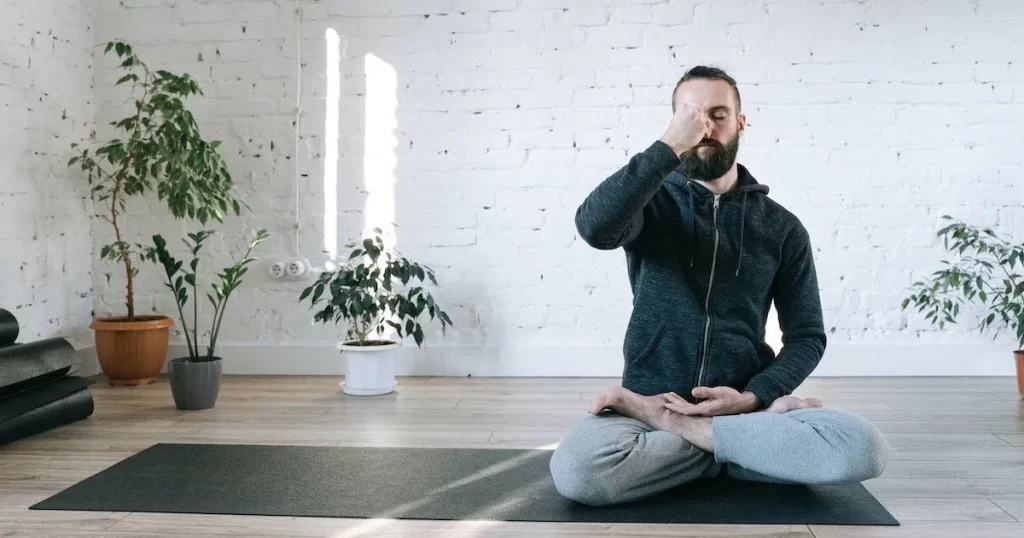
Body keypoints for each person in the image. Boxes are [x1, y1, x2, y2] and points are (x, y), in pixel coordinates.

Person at [550, 66, 890, 507]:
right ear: (674, 123)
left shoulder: (782, 229)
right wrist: (670, 145)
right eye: (691, 116)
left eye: (718, 115)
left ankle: (699, 441)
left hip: (745, 414)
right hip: (648, 407)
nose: (705, 128)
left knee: (864, 448)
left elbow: (807, 337)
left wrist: (755, 397)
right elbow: (594, 228)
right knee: (579, 473)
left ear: (741, 123)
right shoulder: (648, 206)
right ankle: (735, 455)